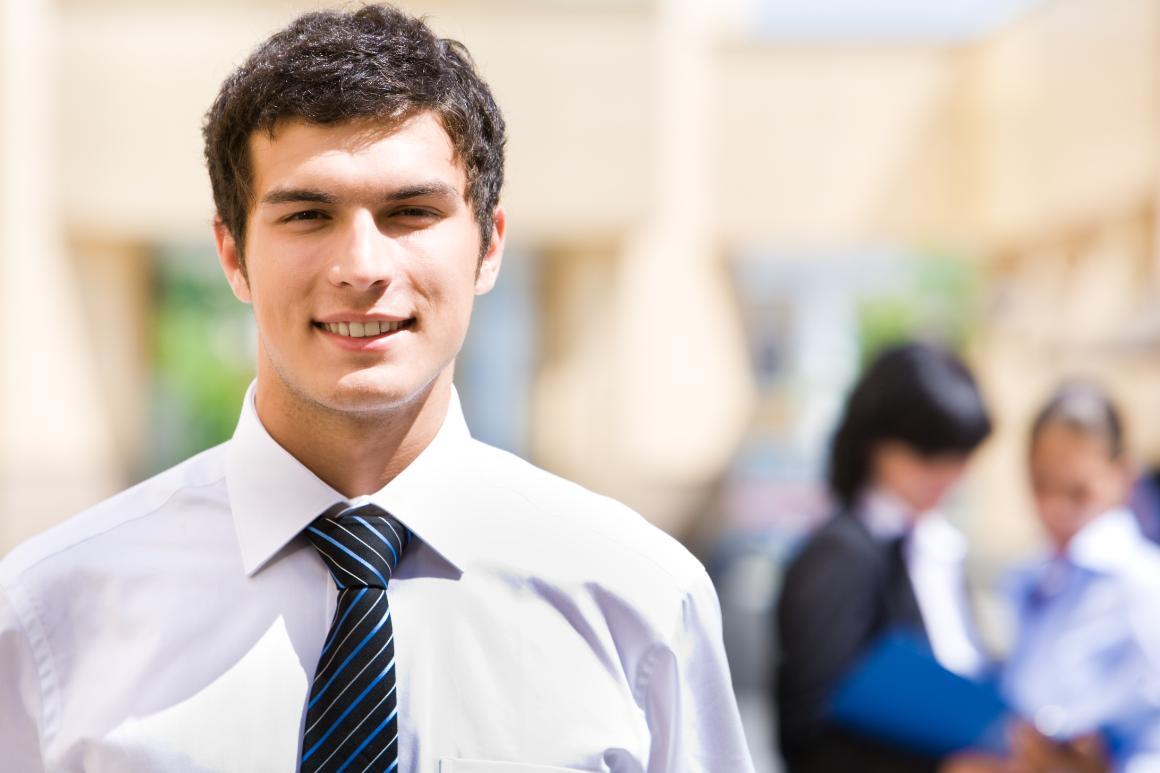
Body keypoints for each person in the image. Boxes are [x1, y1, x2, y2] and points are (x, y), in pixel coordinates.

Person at [0, 6, 754, 771]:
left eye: (411, 211)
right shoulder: (48, 613)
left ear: (489, 245)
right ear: (233, 254)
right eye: (307, 214)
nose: (362, 267)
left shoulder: (643, 599)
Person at [775, 341, 995, 773]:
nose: (947, 475)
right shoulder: (840, 555)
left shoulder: (933, 543)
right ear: (877, 444)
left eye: (959, 457)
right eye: (929, 455)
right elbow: (809, 735)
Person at [1001, 382, 1160, 772]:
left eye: (1077, 492)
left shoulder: (1143, 586)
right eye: (1041, 485)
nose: (1055, 509)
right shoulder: (1027, 579)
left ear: (1123, 475)